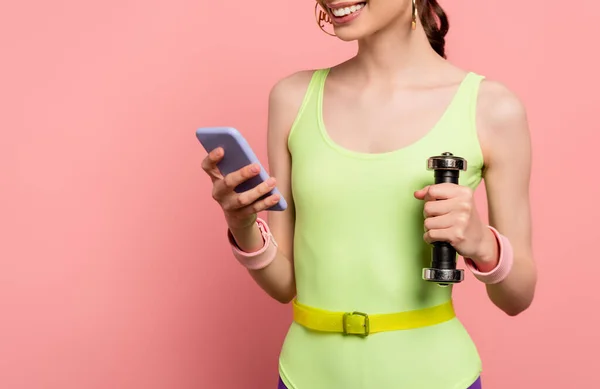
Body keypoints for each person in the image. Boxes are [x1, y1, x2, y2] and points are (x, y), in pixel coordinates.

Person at [201, 0, 537, 388]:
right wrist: (242, 225)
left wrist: (482, 244)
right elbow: (285, 285)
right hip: (306, 377)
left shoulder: (491, 108)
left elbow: (518, 296)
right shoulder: (293, 98)